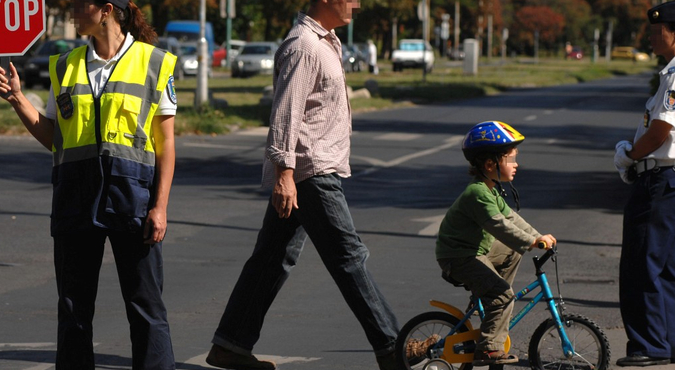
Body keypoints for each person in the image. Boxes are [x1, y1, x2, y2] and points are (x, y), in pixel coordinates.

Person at [204, 1, 431, 369]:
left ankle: (230, 344)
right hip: (310, 172)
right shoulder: (304, 47)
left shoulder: (325, 42)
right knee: (349, 258)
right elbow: (285, 115)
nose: (357, 3)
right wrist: (284, 175)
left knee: (271, 258)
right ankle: (392, 346)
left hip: (310, 169)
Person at [0, 0, 178, 369]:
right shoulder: (64, 66)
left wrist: (160, 207)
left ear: (106, 9)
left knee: (146, 308)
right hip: (75, 200)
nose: (72, 13)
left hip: (134, 201)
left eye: (79, 6)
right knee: (74, 311)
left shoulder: (154, 62)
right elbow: (54, 137)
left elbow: (167, 142)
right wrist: (18, 100)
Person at [436, 121, 556, 366]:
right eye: (511, 159)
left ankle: (487, 295)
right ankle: (489, 348)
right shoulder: (477, 193)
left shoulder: (490, 190)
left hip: (473, 250)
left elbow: (512, 219)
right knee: (503, 294)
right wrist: (534, 241)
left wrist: (538, 236)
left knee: (513, 252)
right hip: (458, 255)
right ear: (490, 164)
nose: (516, 164)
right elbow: (499, 226)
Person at [613, 1, 675, 367]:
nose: (652, 37)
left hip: (660, 179)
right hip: (674, 179)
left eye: (658, 32)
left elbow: (660, 132)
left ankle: (649, 346)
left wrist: (629, 155)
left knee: (642, 264)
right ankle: (671, 345)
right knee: (669, 267)